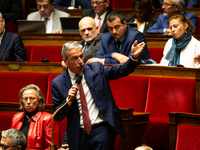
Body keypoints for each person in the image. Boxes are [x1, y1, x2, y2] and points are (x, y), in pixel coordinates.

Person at [51, 40, 145, 150]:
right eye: (75, 58)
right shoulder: (58, 83)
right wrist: (69, 100)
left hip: (102, 129)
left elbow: (121, 70)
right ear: (65, 62)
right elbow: (57, 115)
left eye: (81, 56)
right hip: (78, 134)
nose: (80, 61)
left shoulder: (96, 69)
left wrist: (133, 57)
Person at [11, 84, 60, 150]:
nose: (28, 102)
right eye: (25, 99)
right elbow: (10, 143)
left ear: (39, 101)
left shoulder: (48, 119)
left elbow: (51, 148)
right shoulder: (16, 117)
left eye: (32, 98)